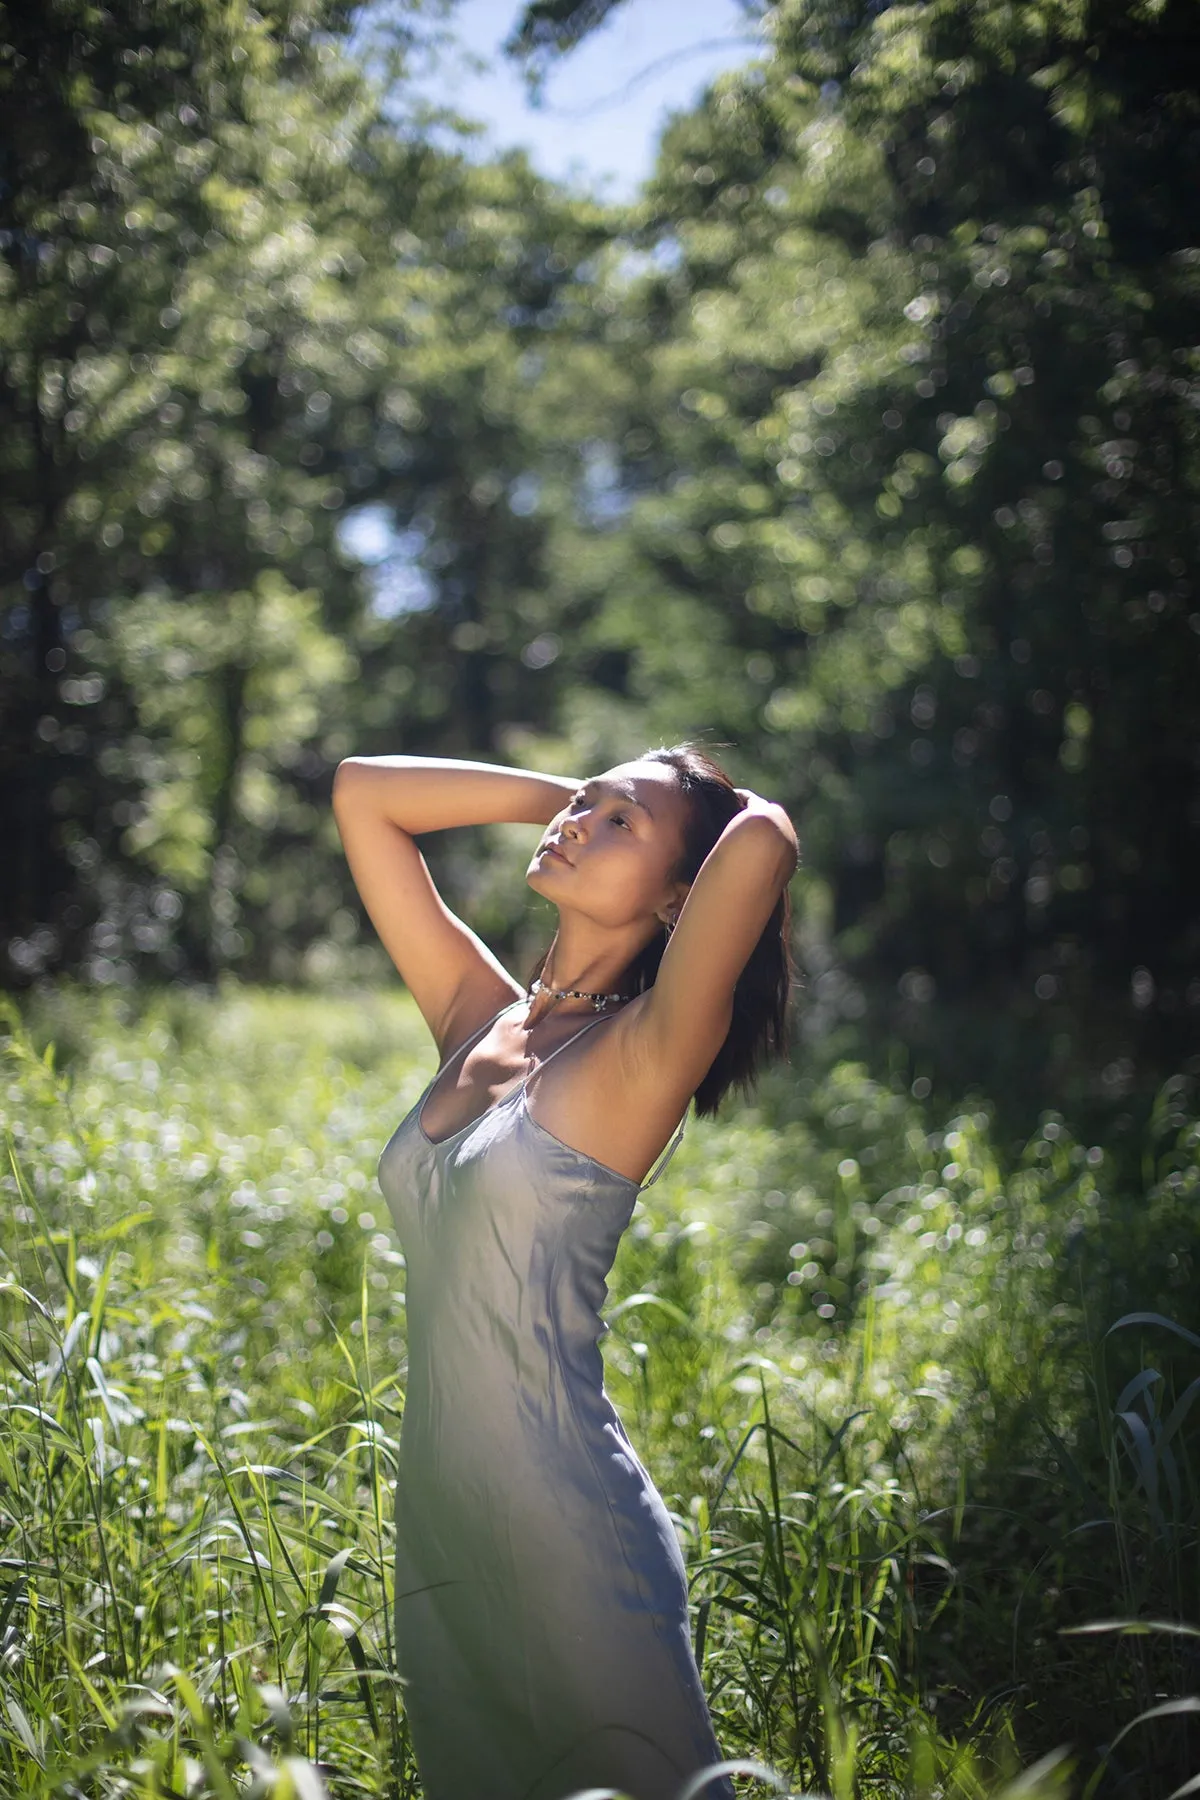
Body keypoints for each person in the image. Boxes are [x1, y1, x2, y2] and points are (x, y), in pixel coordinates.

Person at [333, 743, 798, 1800]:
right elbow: (364, 793)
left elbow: (765, 838)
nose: (581, 821)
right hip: (442, 1526)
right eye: (584, 805)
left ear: (684, 892)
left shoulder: (648, 1051)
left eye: (620, 823)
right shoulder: (479, 1020)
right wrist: (580, 803)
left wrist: (680, 800)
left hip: (568, 1526)